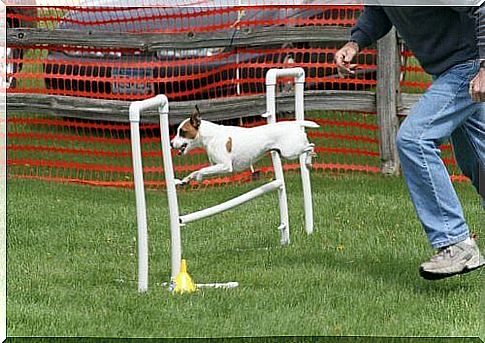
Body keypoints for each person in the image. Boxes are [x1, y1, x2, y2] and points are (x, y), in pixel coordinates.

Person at [335, 5, 485, 280]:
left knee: (415, 139)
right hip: (449, 69)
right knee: (477, 160)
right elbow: (379, 11)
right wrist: (355, 42)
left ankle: (456, 244)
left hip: (469, 65)